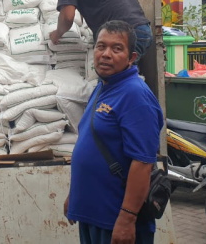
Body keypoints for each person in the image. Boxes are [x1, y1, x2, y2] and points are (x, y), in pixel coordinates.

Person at [64, 20, 164, 244]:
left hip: (115, 220)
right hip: (93, 214)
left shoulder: (135, 95)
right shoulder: (104, 86)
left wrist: (127, 219)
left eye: (116, 48)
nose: (106, 54)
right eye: (101, 46)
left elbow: (142, 163)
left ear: (132, 58)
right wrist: (76, 196)